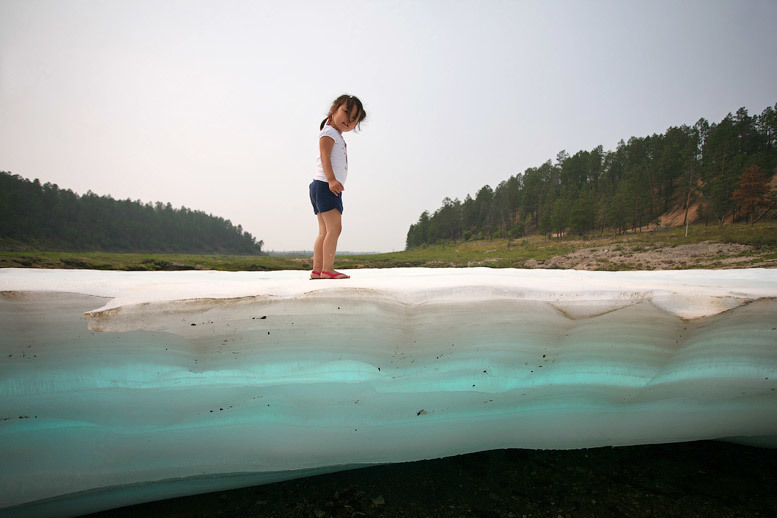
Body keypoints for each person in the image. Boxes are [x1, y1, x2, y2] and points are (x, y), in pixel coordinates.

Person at [309, 95, 367, 279]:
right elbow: (325, 158)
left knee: (324, 231)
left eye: (354, 118)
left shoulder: (334, 134)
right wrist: (332, 180)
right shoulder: (329, 133)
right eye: (346, 112)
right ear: (333, 110)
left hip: (321, 185)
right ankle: (327, 269)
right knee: (334, 229)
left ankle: (317, 271)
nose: (349, 120)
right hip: (326, 185)